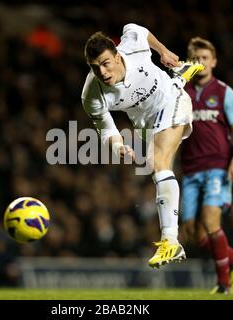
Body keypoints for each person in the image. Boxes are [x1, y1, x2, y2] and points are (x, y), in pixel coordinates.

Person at [81, 23, 204, 268]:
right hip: (146, 122)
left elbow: (136, 28)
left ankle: (171, 241)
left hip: (170, 101)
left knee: (159, 164)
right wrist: (118, 147)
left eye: (106, 63)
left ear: (117, 56)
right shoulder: (92, 94)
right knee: (154, 165)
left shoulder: (133, 47)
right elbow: (107, 130)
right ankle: (180, 77)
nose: (103, 72)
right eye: (96, 68)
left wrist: (163, 51)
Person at [180, 37, 233, 293]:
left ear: (214, 61)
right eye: (196, 59)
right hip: (190, 171)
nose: (201, 63)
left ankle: (223, 284)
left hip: (218, 168)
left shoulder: (224, 92)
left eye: (205, 58)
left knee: (210, 220)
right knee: (193, 233)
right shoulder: (182, 93)